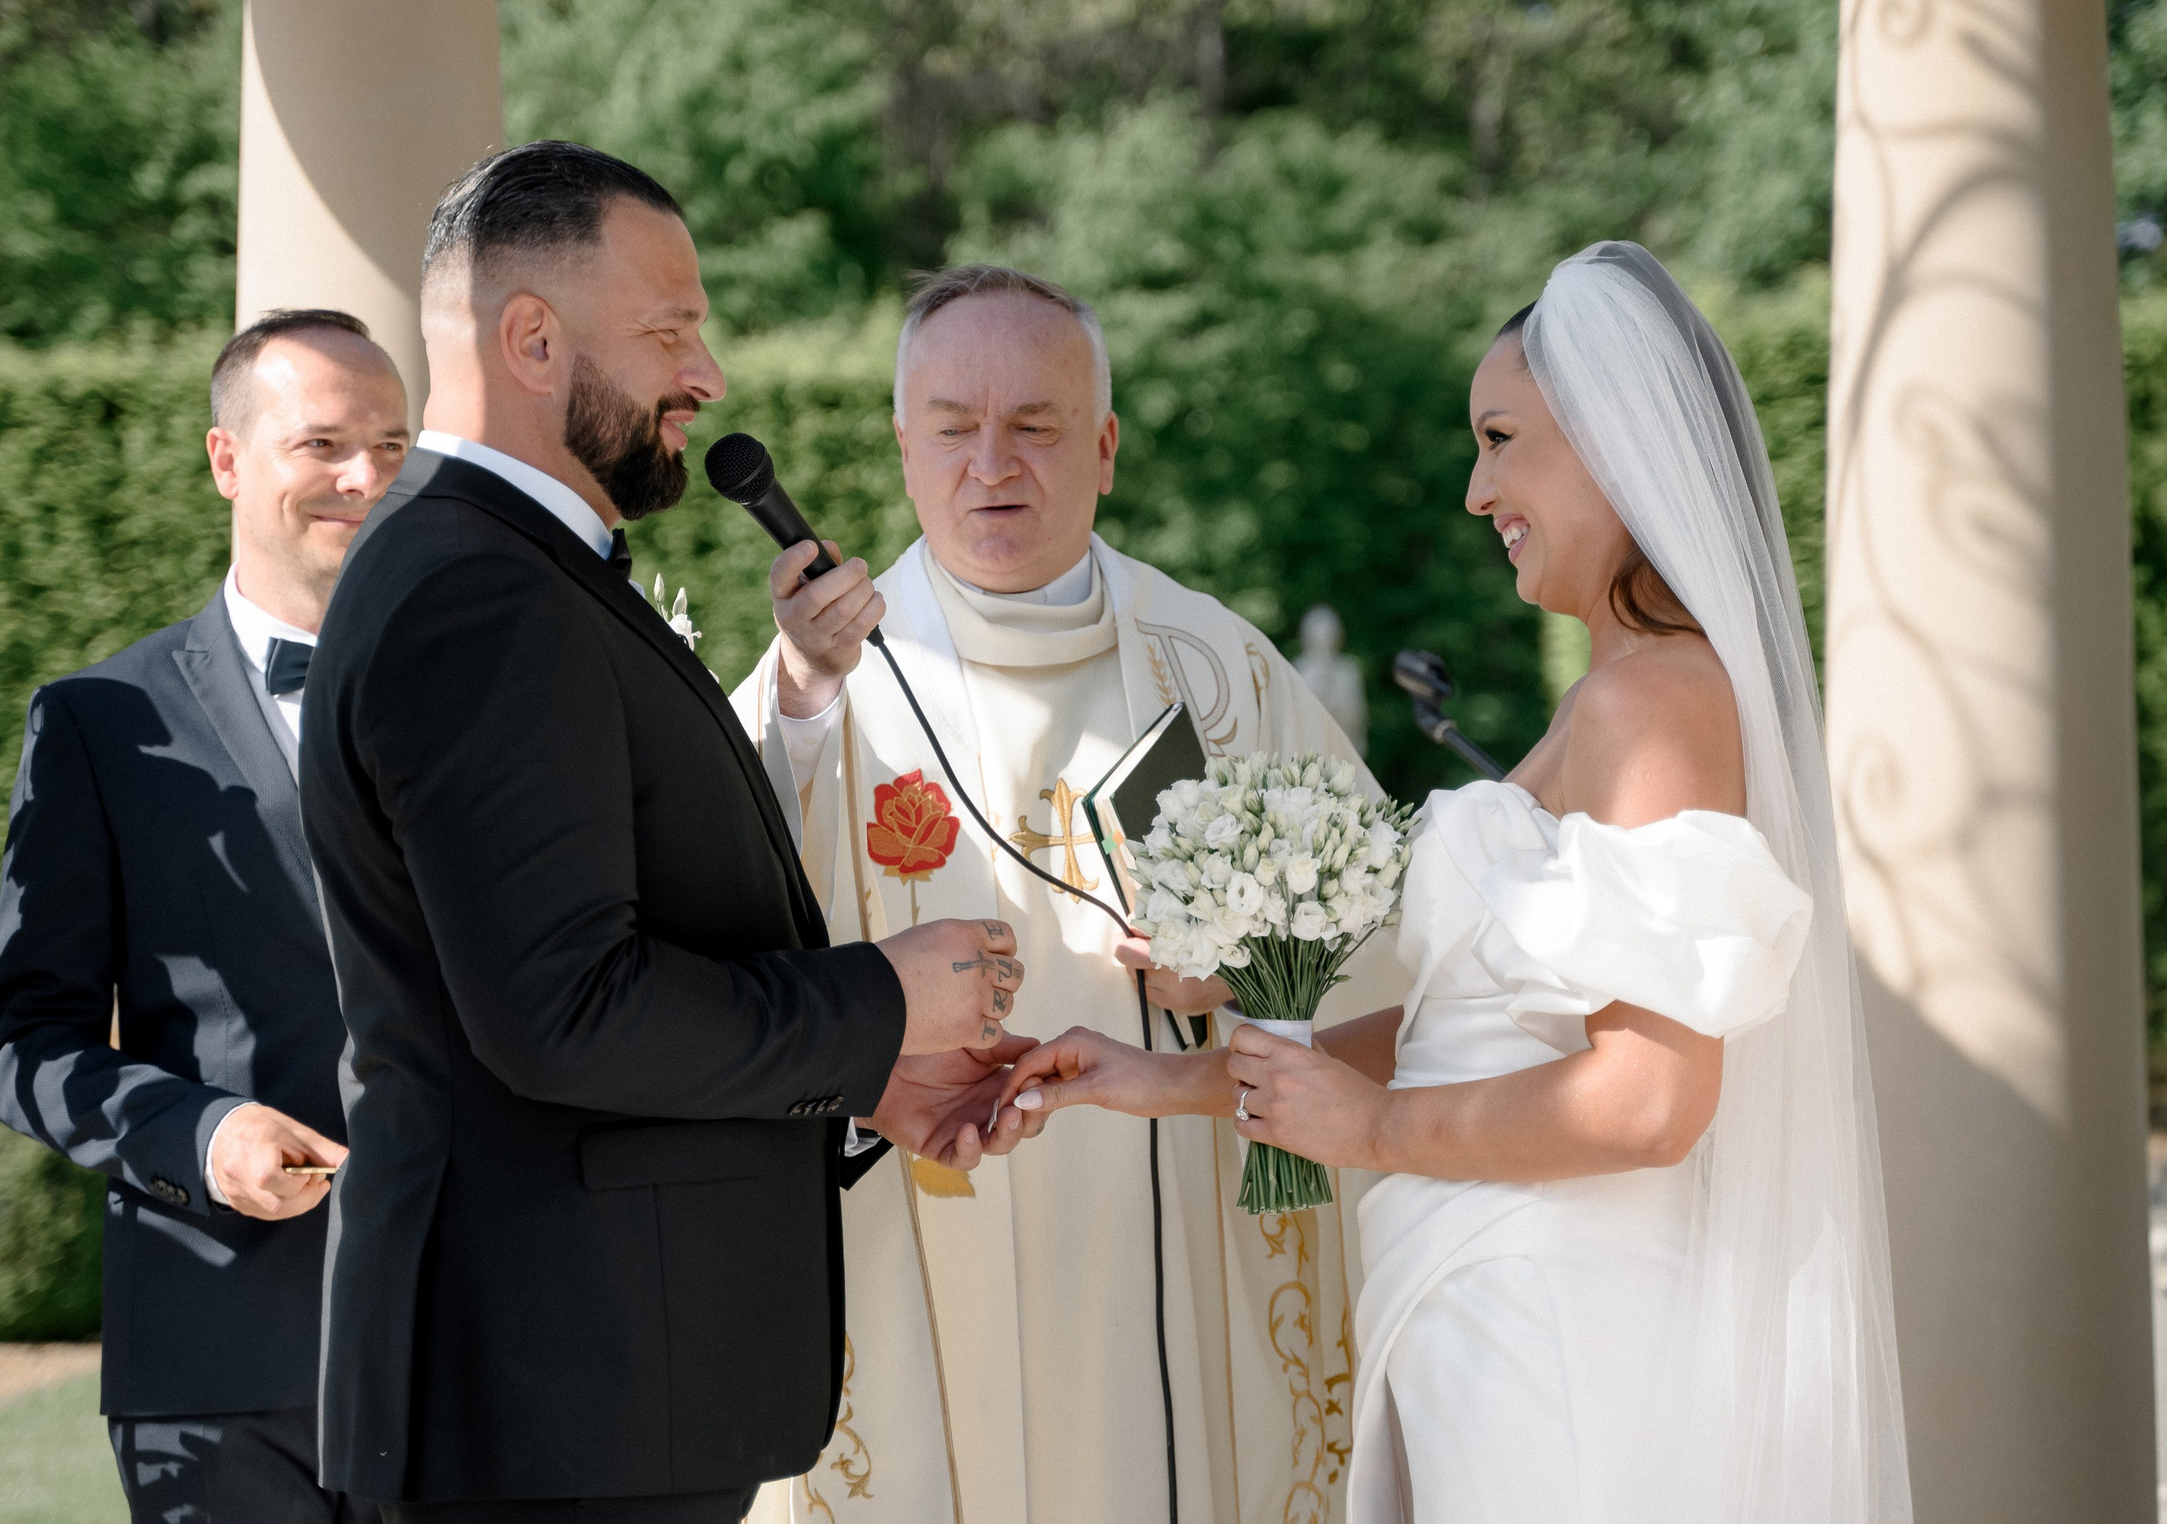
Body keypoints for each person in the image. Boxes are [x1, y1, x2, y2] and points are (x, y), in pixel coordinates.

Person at [1001, 243, 1911, 1523]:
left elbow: (1649, 1097)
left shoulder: (1651, 702)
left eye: (1499, 439)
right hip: (1497, 1316)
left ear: (1611, 442)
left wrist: (1364, 1133)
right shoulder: (1610, 696)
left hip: (1563, 1340)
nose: (1477, 491)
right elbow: (1456, 1035)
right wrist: (1166, 1078)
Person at [297, 143, 1041, 1524]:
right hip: (548, 1408)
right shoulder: (480, 593)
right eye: (669, 331)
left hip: (573, 1400)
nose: (706, 377)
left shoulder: (510, 572)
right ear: (530, 337)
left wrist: (863, 1075)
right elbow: (563, 1011)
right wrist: (879, 998)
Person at [731, 265, 1396, 1524]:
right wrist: (802, 707)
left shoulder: (1212, 669)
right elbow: (721, 917)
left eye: (1035, 426)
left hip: (1175, 1210)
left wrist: (1246, 972)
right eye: (952, 426)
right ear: (901, 444)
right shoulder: (824, 672)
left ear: (1102, 446)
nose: (993, 462)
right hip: (915, 1215)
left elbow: (1385, 941)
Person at [0, 308, 413, 1523]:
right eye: (321, 442)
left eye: (390, 441)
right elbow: (24, 1045)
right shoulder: (99, 724)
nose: (364, 477)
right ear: (227, 459)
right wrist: (199, 1130)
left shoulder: (492, 704)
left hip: (478, 1346)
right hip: (222, 1360)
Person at [1292, 603, 1369, 754]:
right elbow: (1292, 718)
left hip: (1343, 752)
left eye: (1329, 634)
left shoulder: (1347, 670)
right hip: (1306, 753)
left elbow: (1357, 718)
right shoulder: (1298, 669)